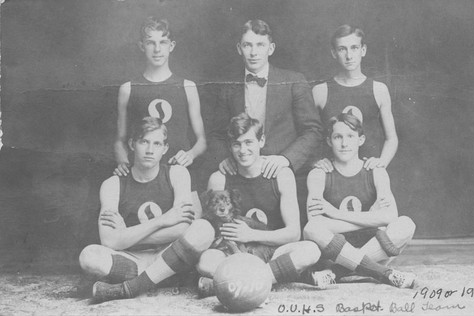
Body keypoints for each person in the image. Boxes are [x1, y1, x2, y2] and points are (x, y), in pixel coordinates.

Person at [79, 117, 214, 302]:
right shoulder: (112, 185)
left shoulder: (177, 174)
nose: (150, 150)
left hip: (168, 251)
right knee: (89, 256)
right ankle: (164, 275)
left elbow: (182, 229)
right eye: (144, 142)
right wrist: (162, 220)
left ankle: (133, 287)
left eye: (157, 144)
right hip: (135, 258)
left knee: (203, 229)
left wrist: (125, 235)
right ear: (132, 144)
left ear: (165, 148)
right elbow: (108, 240)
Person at [208, 19, 322, 227]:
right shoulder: (228, 86)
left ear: (271, 48)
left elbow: (312, 131)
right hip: (243, 178)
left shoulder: (294, 81)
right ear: (239, 49)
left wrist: (285, 159)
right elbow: (216, 134)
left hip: (282, 175)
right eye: (247, 45)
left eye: (260, 45)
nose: (253, 52)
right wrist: (224, 158)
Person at [197, 113, 325, 297]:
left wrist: (251, 234)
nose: (243, 150)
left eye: (249, 142)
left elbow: (293, 233)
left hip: (271, 251)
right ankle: (274, 277)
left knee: (310, 251)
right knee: (206, 261)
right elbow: (213, 233)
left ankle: (236, 282)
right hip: (234, 254)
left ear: (261, 141)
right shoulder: (219, 178)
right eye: (236, 144)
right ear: (230, 147)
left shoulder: (281, 175)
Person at [303, 113, 416, 288]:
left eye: (350, 136)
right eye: (338, 137)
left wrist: (335, 213)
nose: (344, 143)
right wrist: (371, 219)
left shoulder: (376, 171)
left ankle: (337, 273)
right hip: (336, 249)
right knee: (312, 229)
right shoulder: (318, 174)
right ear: (329, 141)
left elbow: (391, 215)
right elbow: (315, 221)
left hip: (371, 245)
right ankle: (380, 273)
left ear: (361, 140)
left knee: (406, 224)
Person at [114, 16, 206, 177]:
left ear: (171, 46)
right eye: (151, 43)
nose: (157, 49)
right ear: (142, 46)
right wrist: (124, 163)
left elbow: (201, 141)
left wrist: (190, 154)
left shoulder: (188, 87)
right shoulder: (128, 89)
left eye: (163, 42)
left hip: (179, 173)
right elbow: (120, 141)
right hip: (142, 175)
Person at [312, 25, 398, 172]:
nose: (349, 56)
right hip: (331, 175)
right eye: (342, 49)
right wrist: (315, 161)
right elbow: (307, 136)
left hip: (369, 174)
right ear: (334, 53)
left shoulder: (379, 89)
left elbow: (392, 138)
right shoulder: (320, 91)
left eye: (354, 48)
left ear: (363, 50)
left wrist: (381, 163)